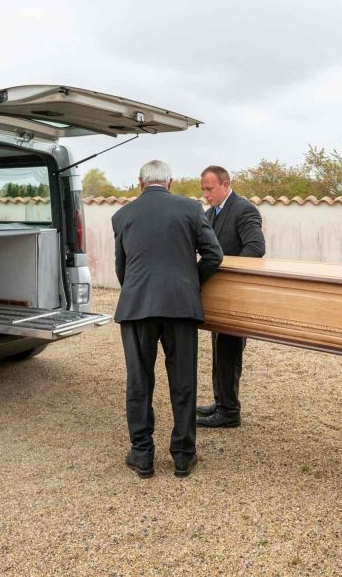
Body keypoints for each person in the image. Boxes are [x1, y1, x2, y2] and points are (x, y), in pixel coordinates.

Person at [112, 160, 224, 478]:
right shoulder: (191, 209)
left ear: (140, 182)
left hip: (136, 308)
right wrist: (190, 281)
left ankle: (142, 455)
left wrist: (137, 291)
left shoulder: (122, 215)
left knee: (139, 382)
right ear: (170, 183)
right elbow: (214, 255)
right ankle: (184, 455)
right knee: (183, 381)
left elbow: (122, 266)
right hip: (180, 306)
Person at [196, 166, 266, 428]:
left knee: (229, 351)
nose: (205, 195)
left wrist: (229, 275)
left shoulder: (244, 210)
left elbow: (256, 248)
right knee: (219, 349)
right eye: (203, 190)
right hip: (217, 296)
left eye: (209, 189)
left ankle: (229, 412)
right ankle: (221, 402)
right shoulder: (209, 213)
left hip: (235, 295)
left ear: (225, 185)